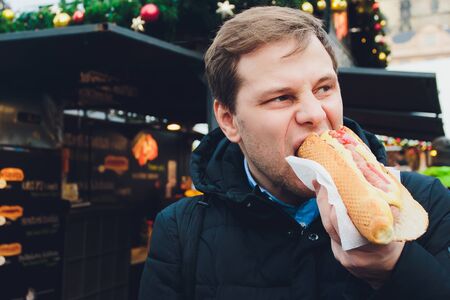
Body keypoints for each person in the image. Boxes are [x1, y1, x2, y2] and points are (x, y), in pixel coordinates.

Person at [139, 6, 450, 299]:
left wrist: (397, 268)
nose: (315, 113)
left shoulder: (424, 202)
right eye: (281, 97)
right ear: (229, 120)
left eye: (324, 88)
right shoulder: (181, 232)